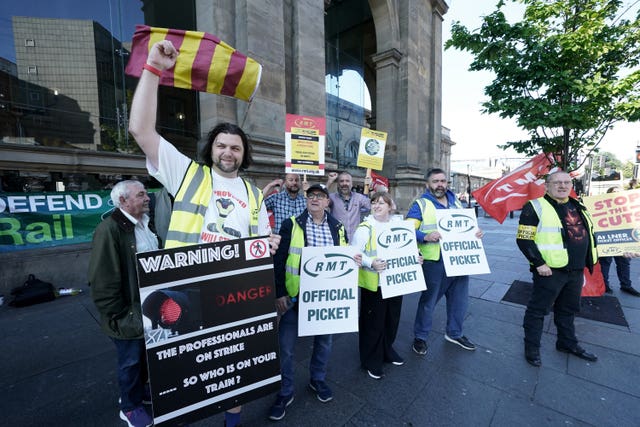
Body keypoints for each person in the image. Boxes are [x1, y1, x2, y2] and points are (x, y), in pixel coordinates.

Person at [128, 39, 280, 427]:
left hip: (233, 294)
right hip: (185, 291)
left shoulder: (252, 194)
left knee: (234, 369)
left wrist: (270, 244)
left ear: (245, 155)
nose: (228, 152)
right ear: (211, 148)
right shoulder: (187, 174)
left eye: (236, 147)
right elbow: (140, 129)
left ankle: (232, 422)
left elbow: (262, 243)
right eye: (222, 145)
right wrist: (153, 69)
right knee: (185, 374)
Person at [268, 183, 352, 421]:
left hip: (324, 300)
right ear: (307, 200)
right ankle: (285, 392)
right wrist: (279, 294)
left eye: (320, 196)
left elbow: (343, 259)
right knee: (285, 347)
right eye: (311, 195)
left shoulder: (338, 227)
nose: (315, 199)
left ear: (327, 202)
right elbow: (279, 261)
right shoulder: (291, 224)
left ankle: (317, 380)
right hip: (295, 298)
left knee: (324, 343)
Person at [89, 180, 159, 427]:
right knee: (130, 362)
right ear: (123, 201)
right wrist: (120, 315)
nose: (147, 198)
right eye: (141, 195)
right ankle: (129, 407)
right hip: (128, 314)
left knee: (145, 360)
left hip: (148, 308)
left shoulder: (145, 224)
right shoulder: (109, 230)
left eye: (146, 194)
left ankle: (139, 393)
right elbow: (102, 280)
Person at [516, 171, 599, 367]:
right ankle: (532, 349)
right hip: (550, 271)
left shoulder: (578, 206)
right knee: (538, 311)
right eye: (557, 183)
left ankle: (566, 343)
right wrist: (539, 264)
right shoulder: (534, 207)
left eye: (566, 182)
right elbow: (523, 239)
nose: (562, 186)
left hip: (576, 270)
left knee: (568, 310)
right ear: (546, 186)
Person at [406, 168, 483, 356]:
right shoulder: (421, 204)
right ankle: (421, 337)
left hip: (459, 259)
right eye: (435, 181)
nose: (440, 185)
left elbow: (465, 226)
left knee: (459, 301)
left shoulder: (456, 202)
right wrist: (425, 236)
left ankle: (454, 333)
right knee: (429, 301)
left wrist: (475, 233)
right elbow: (406, 231)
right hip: (435, 262)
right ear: (428, 184)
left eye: (442, 181)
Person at [351, 191, 411, 379]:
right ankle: (371, 360)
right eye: (374, 203)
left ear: (390, 206)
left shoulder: (399, 226)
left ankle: (387, 350)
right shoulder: (365, 228)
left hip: (394, 282)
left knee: (391, 319)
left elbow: (407, 249)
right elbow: (355, 254)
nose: (377, 206)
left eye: (381, 203)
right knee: (373, 324)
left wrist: (416, 258)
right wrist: (371, 263)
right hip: (374, 284)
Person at [598, 187, 640, 297]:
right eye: (614, 193)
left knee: (624, 263)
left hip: (624, 239)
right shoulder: (602, 209)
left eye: (619, 193)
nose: (617, 195)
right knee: (605, 263)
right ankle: (604, 285)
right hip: (607, 239)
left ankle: (626, 285)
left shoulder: (628, 208)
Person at [326, 171, 371, 241]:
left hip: (355, 240)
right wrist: (329, 182)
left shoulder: (359, 197)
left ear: (351, 184)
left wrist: (370, 187)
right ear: (338, 184)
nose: (344, 183)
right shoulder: (332, 198)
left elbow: (372, 206)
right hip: (337, 240)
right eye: (341, 181)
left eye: (347, 181)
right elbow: (321, 201)